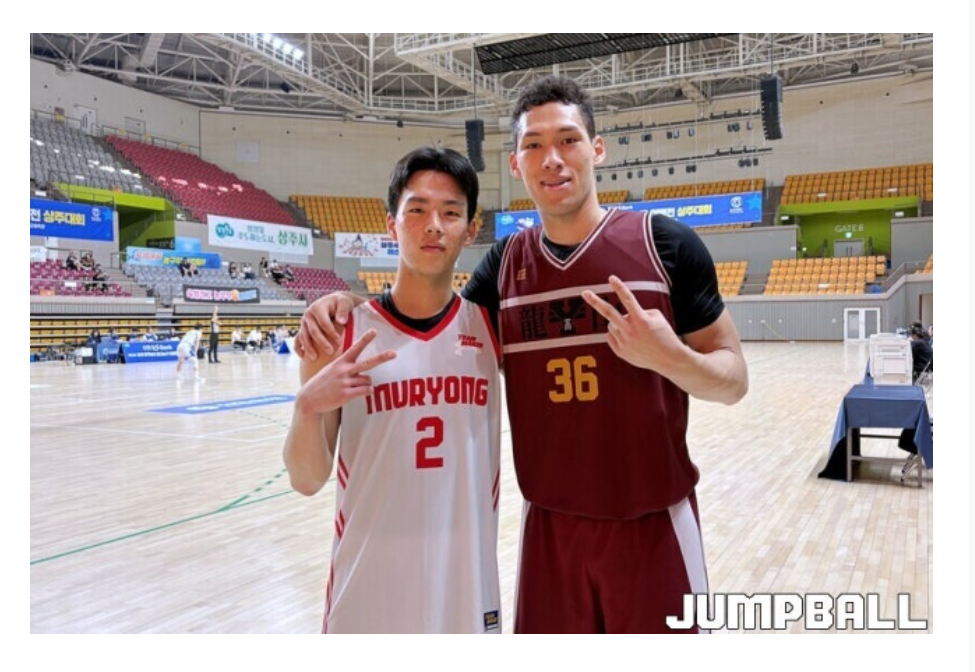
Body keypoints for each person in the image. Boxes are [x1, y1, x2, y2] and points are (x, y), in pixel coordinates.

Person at [298, 76, 748, 633]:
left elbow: (734, 377)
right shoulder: (506, 265)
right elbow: (431, 320)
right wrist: (345, 305)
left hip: (654, 522)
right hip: (548, 533)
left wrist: (672, 358)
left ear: (597, 149)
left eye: (568, 140)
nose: (551, 158)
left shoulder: (665, 244)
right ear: (516, 164)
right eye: (534, 145)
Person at [283, 146, 501, 634]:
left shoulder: (491, 328)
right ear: (391, 225)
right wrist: (306, 407)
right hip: (368, 588)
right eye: (417, 210)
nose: (433, 226)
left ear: (470, 230)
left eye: (450, 213)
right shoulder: (339, 333)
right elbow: (306, 480)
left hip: (465, 587)